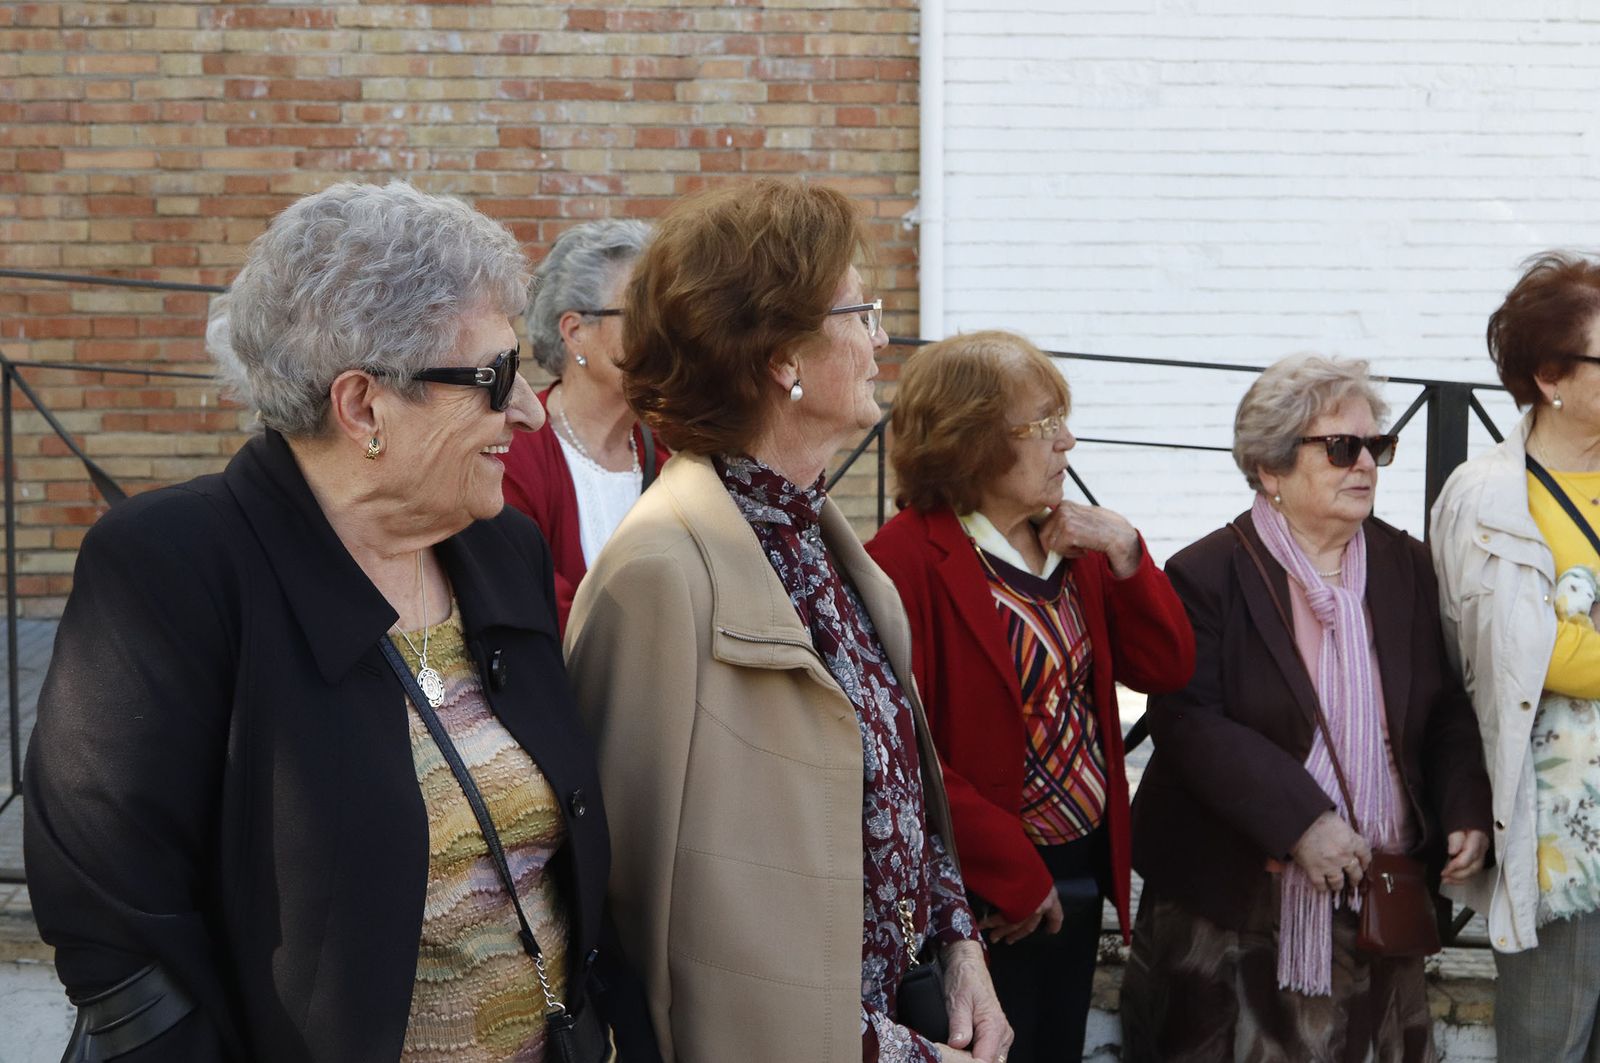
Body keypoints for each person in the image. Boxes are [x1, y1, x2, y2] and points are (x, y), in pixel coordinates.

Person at [24, 181, 654, 1062]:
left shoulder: (498, 547)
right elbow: (113, 925)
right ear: (362, 406)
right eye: (497, 378)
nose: (530, 408)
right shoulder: (173, 567)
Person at [564, 178, 1013, 1063]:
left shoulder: (819, 539)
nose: (882, 339)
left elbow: (900, 796)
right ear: (783, 357)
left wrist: (962, 947)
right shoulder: (659, 573)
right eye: (861, 311)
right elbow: (655, 932)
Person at [1122, 353, 1492, 1062]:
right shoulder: (1207, 573)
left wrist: (1466, 807)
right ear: (1270, 468)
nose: (1366, 465)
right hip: (1235, 909)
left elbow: (1443, 707)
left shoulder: (1404, 564)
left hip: (1377, 898)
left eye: (1375, 446)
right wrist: (1301, 822)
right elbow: (1187, 719)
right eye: (1341, 447)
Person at [864, 330, 1195, 1063]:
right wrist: (1013, 872)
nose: (1066, 441)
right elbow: (900, 748)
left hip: (1078, 867)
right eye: (1043, 424)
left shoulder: (1071, 545)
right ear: (971, 439)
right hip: (983, 889)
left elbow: (1166, 665)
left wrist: (1127, 550)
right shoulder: (905, 557)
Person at [1431, 252, 1600, 1059]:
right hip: (1555, 835)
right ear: (1551, 375)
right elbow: (1522, 654)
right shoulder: (1487, 496)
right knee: (1549, 1040)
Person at [500, 219, 668, 631]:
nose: (666, 333)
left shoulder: (672, 453)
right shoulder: (512, 454)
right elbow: (535, 603)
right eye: (643, 313)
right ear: (575, 332)